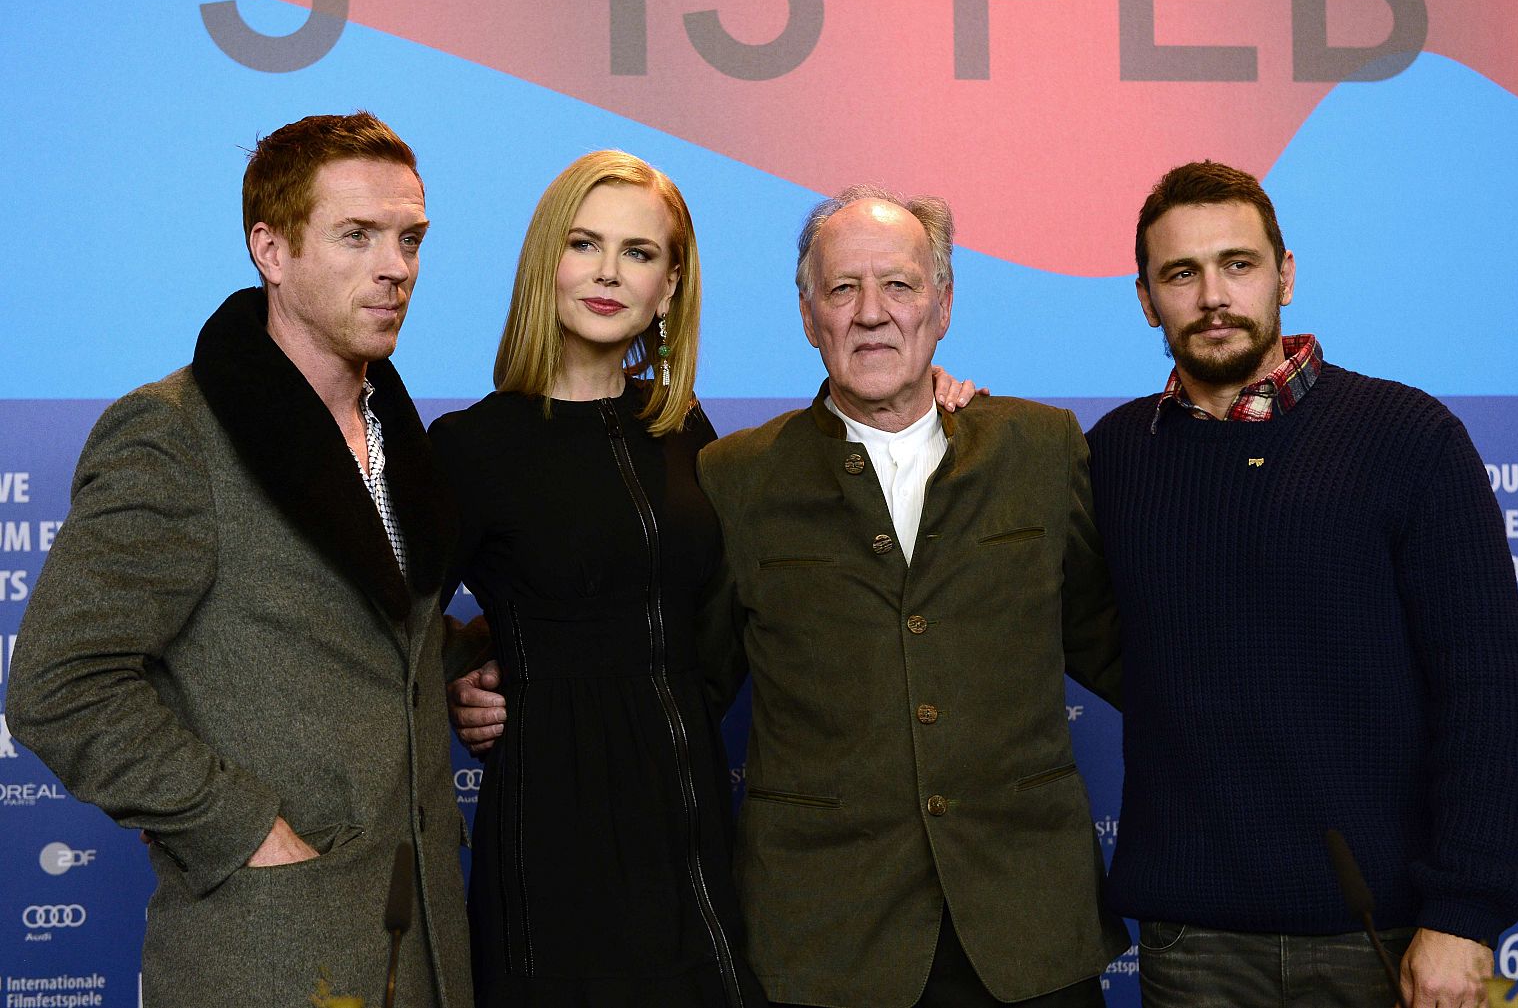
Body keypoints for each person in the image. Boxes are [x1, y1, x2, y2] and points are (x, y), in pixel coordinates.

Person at [459, 185, 1125, 1006]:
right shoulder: (734, 474)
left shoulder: (1040, 448)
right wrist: (499, 664)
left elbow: (1117, 645)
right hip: (828, 943)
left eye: (901, 285)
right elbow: (668, 650)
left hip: (1031, 933)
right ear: (809, 315)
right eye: (843, 289)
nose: (871, 313)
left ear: (943, 305)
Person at [5, 113, 472, 1007]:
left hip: (422, 943)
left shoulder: (397, 437)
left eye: (411, 237)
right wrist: (243, 827)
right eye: (358, 235)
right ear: (272, 248)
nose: (397, 267)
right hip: (265, 947)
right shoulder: (176, 433)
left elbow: (344, 639)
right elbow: (57, 683)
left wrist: (470, 658)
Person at [1086, 160, 1518, 1008]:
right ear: (1147, 297)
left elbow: (1490, 700)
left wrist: (1464, 916)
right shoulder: (1116, 454)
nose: (1213, 295)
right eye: (1180, 273)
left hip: (1384, 935)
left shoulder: (1408, 438)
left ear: (1286, 274)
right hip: (1193, 941)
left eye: (1239, 263)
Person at [427, 150, 769, 1007]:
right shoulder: (471, 447)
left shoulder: (684, 428)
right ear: (549, 260)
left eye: (639, 252)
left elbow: (704, 607)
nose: (610, 273)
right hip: (554, 833)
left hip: (691, 831)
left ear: (671, 283)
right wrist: (460, 674)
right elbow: (376, 627)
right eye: (585, 244)